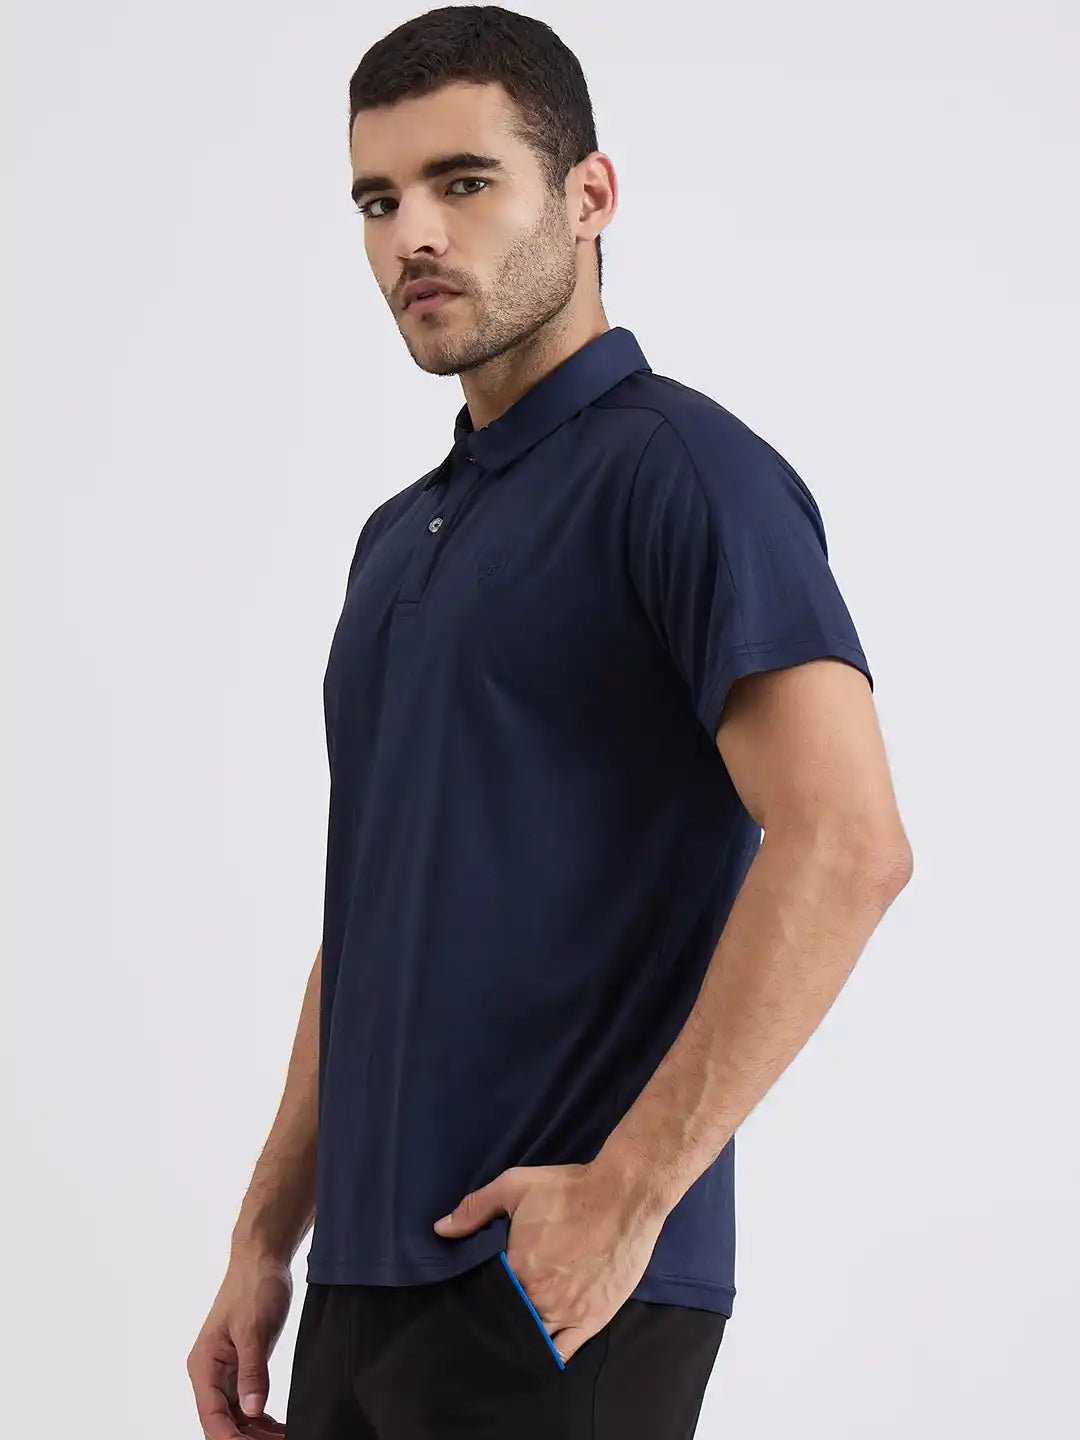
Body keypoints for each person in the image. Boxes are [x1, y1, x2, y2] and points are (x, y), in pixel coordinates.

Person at [186, 7, 913, 1437]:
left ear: (589, 196)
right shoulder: (399, 537)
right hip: (363, 1280)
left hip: (557, 1278)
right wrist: (265, 1238)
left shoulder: (685, 474)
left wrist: (631, 1193)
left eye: (464, 182)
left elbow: (849, 843)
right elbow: (371, 913)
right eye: (379, 200)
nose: (414, 235)